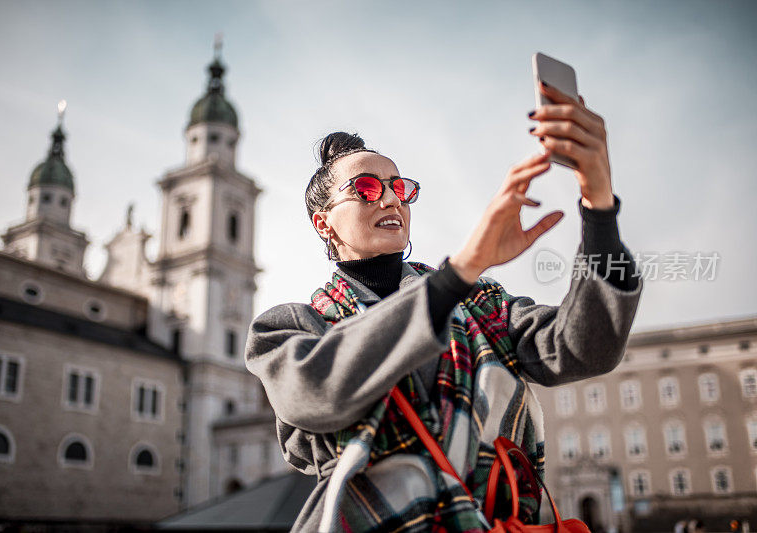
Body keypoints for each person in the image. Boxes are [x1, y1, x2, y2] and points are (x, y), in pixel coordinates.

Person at [245, 81, 643, 532]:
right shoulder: (288, 328)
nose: (392, 199)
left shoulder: (480, 304)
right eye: (368, 188)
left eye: (400, 187)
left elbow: (584, 348)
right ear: (324, 224)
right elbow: (316, 393)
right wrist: (459, 271)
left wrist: (599, 202)